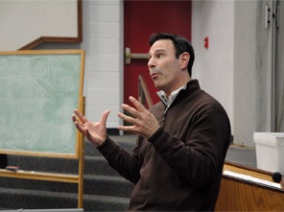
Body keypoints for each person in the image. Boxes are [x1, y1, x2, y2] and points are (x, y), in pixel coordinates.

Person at [72, 33, 231, 211]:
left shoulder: (208, 110)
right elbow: (137, 171)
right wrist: (104, 144)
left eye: (159, 55)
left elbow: (202, 173)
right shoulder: (155, 112)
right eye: (149, 58)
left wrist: (157, 135)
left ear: (183, 60)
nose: (150, 63)